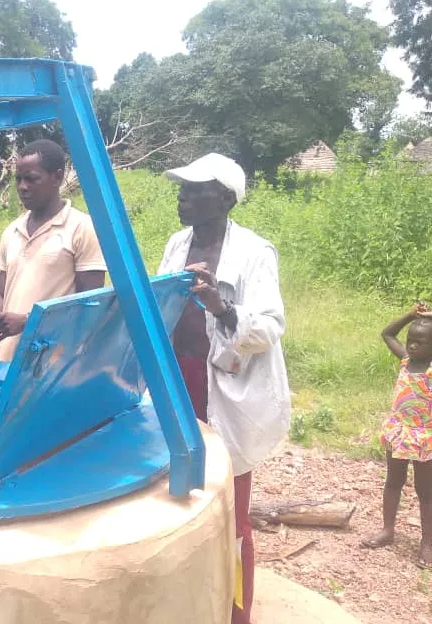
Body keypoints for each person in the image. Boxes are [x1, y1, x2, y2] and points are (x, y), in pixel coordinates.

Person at [157, 152, 291, 624]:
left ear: (226, 198)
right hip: (180, 379)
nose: (184, 195)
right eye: (182, 188)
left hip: (227, 392)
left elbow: (270, 326)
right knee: (178, 494)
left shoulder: (254, 252)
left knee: (232, 511)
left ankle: (236, 612)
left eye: (196, 189)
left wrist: (221, 307)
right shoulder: (177, 244)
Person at [0, 139, 107, 361]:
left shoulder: (82, 228)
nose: (23, 186)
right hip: (8, 361)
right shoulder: (12, 231)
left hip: (54, 366)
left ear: (57, 177)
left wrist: (28, 321)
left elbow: (90, 305)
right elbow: (2, 292)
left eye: (32, 179)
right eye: (19, 179)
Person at [361, 302, 432, 568]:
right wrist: (410, 315)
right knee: (393, 482)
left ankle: (426, 545)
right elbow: (387, 334)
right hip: (399, 432)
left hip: (425, 436)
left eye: (421, 342)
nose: (413, 345)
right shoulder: (406, 362)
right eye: (411, 340)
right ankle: (387, 530)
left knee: (425, 490)